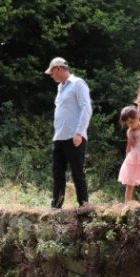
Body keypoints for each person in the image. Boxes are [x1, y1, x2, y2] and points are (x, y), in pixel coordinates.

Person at [46, 57, 92, 209]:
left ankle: (84, 205)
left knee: (77, 172)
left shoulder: (78, 83)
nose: (51, 76)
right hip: (59, 137)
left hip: (74, 136)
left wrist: (79, 132)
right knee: (57, 172)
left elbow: (86, 108)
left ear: (58, 69)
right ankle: (56, 205)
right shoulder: (60, 87)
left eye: (52, 73)